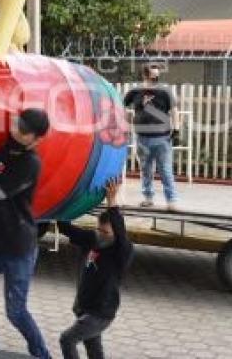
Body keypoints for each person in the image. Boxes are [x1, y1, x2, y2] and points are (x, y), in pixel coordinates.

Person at [0, 108, 52, 359]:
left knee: (15, 312)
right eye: (17, 124)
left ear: (37, 139)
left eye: (23, 130)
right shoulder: (8, 146)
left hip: (17, 246)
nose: (16, 130)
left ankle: (41, 354)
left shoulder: (30, 163)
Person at [57, 179, 134, 359]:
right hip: (84, 308)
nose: (101, 235)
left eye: (106, 232)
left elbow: (121, 233)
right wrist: (62, 203)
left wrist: (112, 202)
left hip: (100, 313)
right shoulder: (94, 239)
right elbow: (66, 228)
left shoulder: (122, 251)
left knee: (66, 340)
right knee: (93, 347)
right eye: (99, 230)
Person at [123, 64, 180, 210]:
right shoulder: (135, 92)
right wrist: (126, 121)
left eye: (157, 75)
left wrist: (177, 129)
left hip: (162, 139)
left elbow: (174, 111)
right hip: (142, 138)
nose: (155, 78)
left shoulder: (165, 91)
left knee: (165, 170)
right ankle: (148, 198)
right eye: (152, 75)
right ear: (144, 75)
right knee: (145, 170)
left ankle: (171, 201)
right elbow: (122, 105)